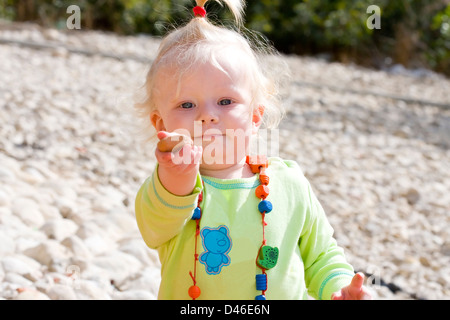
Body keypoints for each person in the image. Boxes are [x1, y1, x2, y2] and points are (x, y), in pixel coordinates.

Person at [134, 0, 371, 300]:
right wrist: (176, 176)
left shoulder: (288, 183)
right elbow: (154, 227)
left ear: (256, 116)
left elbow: (321, 255)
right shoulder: (171, 191)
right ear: (160, 123)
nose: (208, 115)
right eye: (186, 105)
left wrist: (339, 288)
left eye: (225, 101)